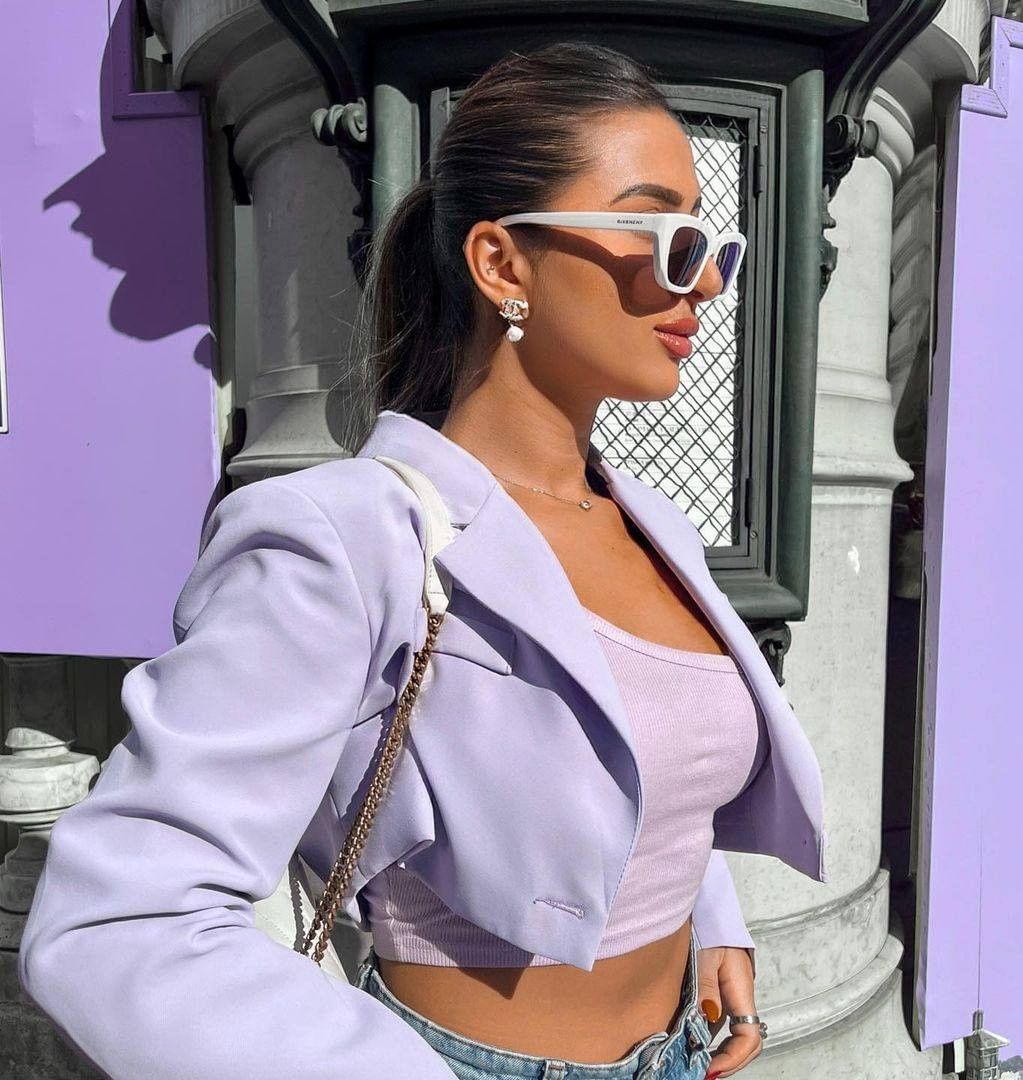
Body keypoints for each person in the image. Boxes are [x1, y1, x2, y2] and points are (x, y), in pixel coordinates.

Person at [18, 40, 827, 1080]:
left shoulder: (653, 521)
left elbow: (646, 763)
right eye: (662, 235)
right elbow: (121, 921)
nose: (704, 282)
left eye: (714, 245)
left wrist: (711, 921)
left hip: (679, 1048)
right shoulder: (347, 536)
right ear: (503, 265)